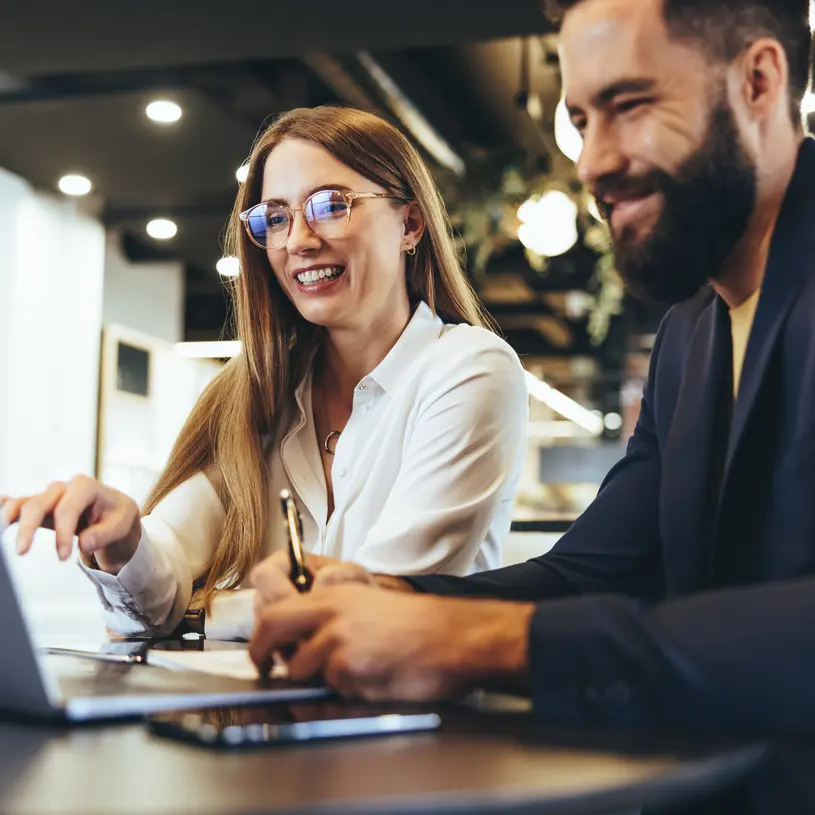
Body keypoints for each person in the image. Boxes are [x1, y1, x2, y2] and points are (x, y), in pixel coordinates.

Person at [249, 1, 815, 808]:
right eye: (581, 119)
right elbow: (592, 571)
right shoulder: (691, 329)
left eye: (629, 105)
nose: (591, 162)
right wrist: (396, 598)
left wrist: (492, 640)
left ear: (758, 80)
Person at [0, 106, 528, 640]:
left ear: (410, 223)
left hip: (424, 718)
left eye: (329, 205)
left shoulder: (470, 369)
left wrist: (203, 614)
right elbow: (161, 576)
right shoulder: (261, 394)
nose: (298, 239)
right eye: (275, 217)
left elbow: (380, 601)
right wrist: (124, 541)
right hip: (275, 718)